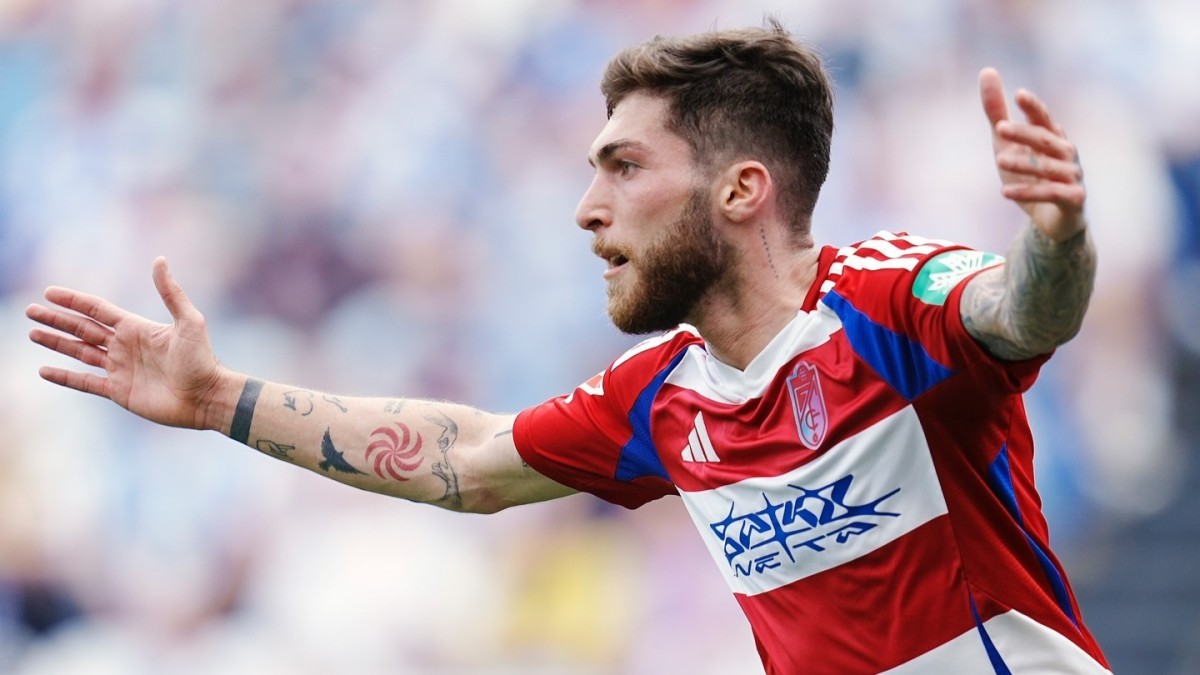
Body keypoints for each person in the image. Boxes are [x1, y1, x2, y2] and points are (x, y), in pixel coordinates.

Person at [25, 22, 1110, 675]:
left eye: (624, 167)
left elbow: (1022, 312)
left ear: (741, 189)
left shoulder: (885, 303)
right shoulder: (665, 399)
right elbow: (466, 460)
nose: (588, 208)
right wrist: (217, 399)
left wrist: (1058, 236)